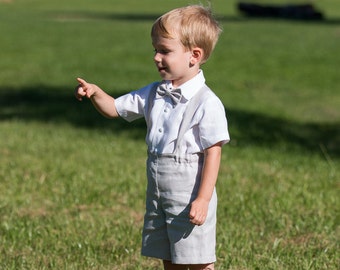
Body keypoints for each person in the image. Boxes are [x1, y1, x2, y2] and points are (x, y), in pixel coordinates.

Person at [74, 5, 230, 270]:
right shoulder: (154, 93)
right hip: (158, 188)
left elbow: (213, 152)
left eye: (165, 51)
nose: (156, 57)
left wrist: (203, 199)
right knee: (167, 252)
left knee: (197, 256)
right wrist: (96, 93)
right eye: (155, 50)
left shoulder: (207, 103)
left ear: (194, 55)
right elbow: (114, 109)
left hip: (188, 190)